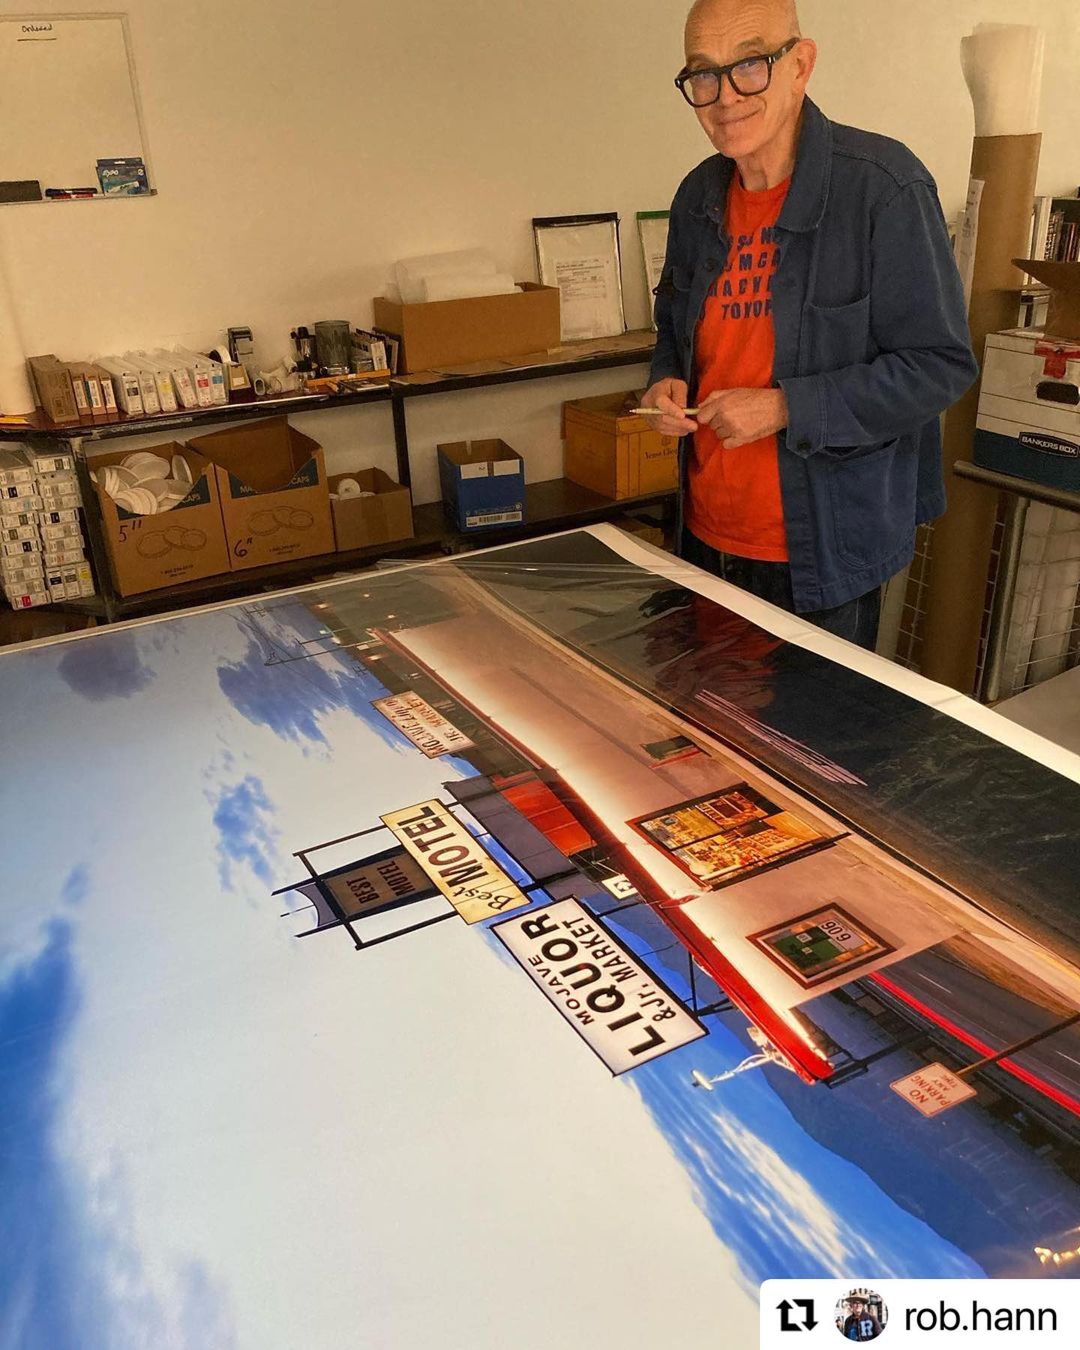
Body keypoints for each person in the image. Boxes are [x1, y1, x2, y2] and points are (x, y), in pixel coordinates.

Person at [641, 0, 978, 649]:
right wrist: (666, 382)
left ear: (801, 65)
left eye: (750, 65)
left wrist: (784, 407)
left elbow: (939, 365)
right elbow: (673, 332)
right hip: (705, 537)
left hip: (821, 556)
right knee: (710, 716)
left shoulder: (883, 187)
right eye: (703, 74)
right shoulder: (696, 197)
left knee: (814, 721)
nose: (725, 97)